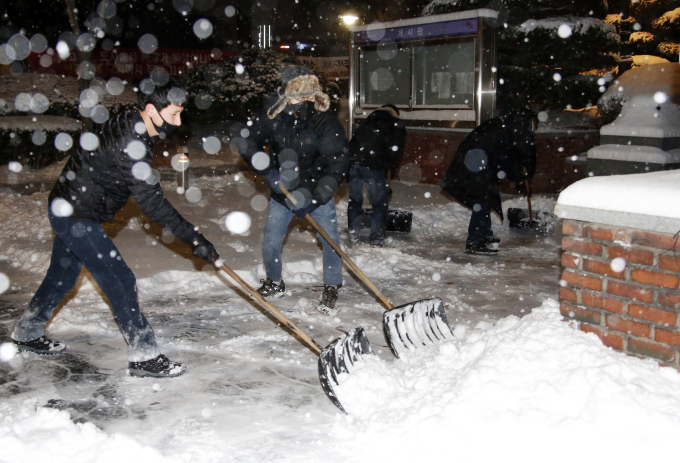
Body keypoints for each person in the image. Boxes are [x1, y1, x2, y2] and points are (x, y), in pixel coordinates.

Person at [10, 76, 219, 377]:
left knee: (62, 276)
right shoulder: (131, 142)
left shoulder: (134, 124)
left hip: (70, 207)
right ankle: (144, 355)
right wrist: (194, 237)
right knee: (119, 278)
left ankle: (27, 332)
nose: (178, 120)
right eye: (174, 113)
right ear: (151, 109)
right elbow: (152, 202)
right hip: (76, 215)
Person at [240, 66, 350, 315]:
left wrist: (317, 196)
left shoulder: (325, 122)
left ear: (317, 96)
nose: (305, 103)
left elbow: (338, 162)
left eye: (310, 97)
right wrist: (267, 169)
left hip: (317, 193)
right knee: (271, 241)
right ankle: (274, 281)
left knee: (330, 240)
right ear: (288, 97)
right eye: (300, 98)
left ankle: (332, 284)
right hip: (283, 193)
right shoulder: (275, 118)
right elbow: (247, 142)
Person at [440, 107, 537, 255]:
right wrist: (521, 177)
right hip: (475, 166)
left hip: (474, 164)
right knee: (483, 200)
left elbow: (509, 156)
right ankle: (475, 241)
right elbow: (511, 157)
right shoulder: (511, 130)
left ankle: (484, 236)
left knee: (486, 199)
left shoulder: (504, 125)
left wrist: (521, 176)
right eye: (532, 128)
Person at [347, 104, 406, 246]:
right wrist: (388, 167)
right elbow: (395, 150)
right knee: (380, 203)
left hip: (353, 164)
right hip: (372, 166)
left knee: (355, 201)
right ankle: (376, 239)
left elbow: (352, 145)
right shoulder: (395, 124)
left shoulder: (366, 124)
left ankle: (354, 234)